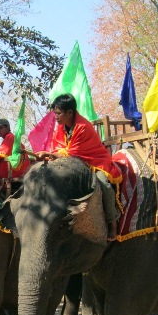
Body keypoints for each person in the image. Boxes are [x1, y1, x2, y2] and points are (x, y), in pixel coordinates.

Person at [37, 93, 122, 240]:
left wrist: (49, 154)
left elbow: (72, 154)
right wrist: (49, 155)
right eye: (54, 113)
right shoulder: (60, 128)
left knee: (103, 183)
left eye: (58, 113)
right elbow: (59, 149)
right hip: (72, 163)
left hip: (95, 162)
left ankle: (112, 222)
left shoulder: (83, 127)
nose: (55, 116)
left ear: (70, 112)